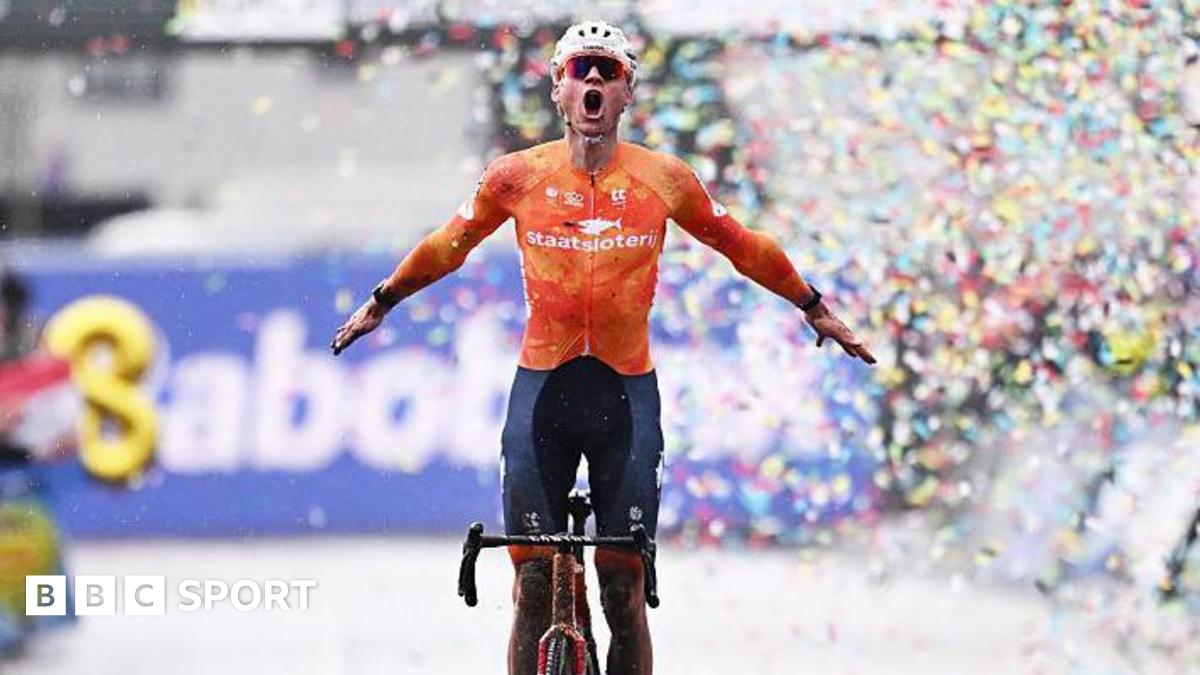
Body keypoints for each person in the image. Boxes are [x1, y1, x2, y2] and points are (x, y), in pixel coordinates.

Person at [331, 20, 876, 675]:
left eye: (607, 73)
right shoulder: (516, 177)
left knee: (622, 591)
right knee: (532, 588)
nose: (593, 82)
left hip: (625, 398)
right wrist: (384, 299)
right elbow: (450, 243)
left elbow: (743, 246)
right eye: (580, 71)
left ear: (627, 94)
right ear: (558, 90)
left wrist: (812, 305)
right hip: (542, 397)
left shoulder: (663, 179)